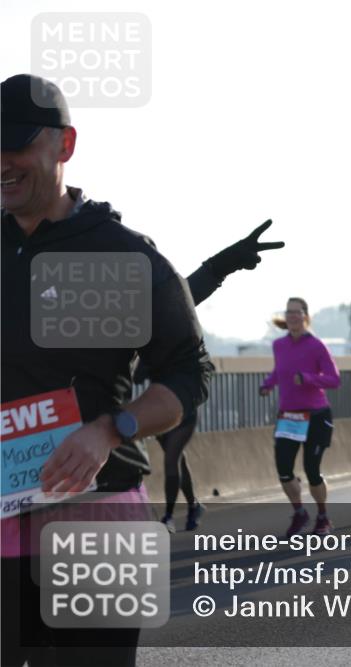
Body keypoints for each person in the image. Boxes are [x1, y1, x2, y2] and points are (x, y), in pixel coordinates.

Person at [1, 73, 213, 666]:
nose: (2, 162)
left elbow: (190, 373)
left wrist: (109, 429)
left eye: (15, 144)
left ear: (64, 146)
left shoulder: (123, 253)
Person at [146, 220, 285, 533]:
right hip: (152, 398)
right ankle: (193, 504)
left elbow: (190, 289)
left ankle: (168, 517)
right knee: (175, 459)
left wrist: (229, 260)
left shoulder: (168, 309)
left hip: (182, 399)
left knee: (171, 458)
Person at [260, 297, 341, 536]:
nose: (292, 316)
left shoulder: (317, 346)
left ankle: (323, 517)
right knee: (284, 470)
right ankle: (299, 513)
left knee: (311, 470)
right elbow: (279, 371)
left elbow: (334, 379)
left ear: (306, 316)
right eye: (289, 312)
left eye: (297, 312)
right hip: (289, 416)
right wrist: (267, 385)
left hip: (316, 415)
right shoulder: (279, 345)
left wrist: (308, 378)